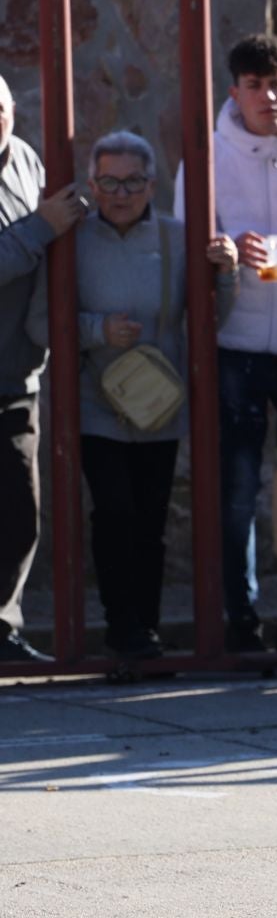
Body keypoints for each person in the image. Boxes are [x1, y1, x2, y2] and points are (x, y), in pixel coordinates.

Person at [31, 133, 236, 660]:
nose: (120, 193)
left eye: (132, 182)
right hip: (95, 402)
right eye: (108, 182)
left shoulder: (177, 238)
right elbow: (42, 322)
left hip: (159, 406)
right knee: (114, 512)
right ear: (92, 185)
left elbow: (212, 319)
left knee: (150, 517)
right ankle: (121, 625)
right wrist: (99, 330)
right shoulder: (70, 241)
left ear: (151, 185)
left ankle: (144, 629)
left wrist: (227, 275)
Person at [175, 34, 277, 654]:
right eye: (254, 85)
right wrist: (221, 251)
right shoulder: (209, 155)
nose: (268, 97)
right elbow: (188, 242)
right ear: (233, 92)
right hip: (234, 340)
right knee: (236, 488)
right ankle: (241, 618)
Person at [0, 75, 84, 665]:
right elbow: (40, 236)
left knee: (17, 513)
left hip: (14, 374)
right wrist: (39, 229)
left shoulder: (26, 159)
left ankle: (2, 629)